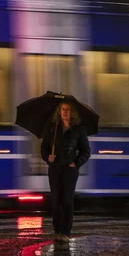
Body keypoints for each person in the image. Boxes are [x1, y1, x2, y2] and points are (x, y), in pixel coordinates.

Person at [41, 101, 90, 244]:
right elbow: (44, 147)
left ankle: (66, 232)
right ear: (59, 111)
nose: (65, 112)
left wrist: (76, 163)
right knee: (56, 201)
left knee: (67, 201)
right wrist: (47, 157)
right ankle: (57, 231)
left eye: (68, 109)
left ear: (72, 112)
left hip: (70, 170)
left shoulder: (79, 129)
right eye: (63, 109)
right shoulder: (52, 128)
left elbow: (86, 151)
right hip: (55, 168)